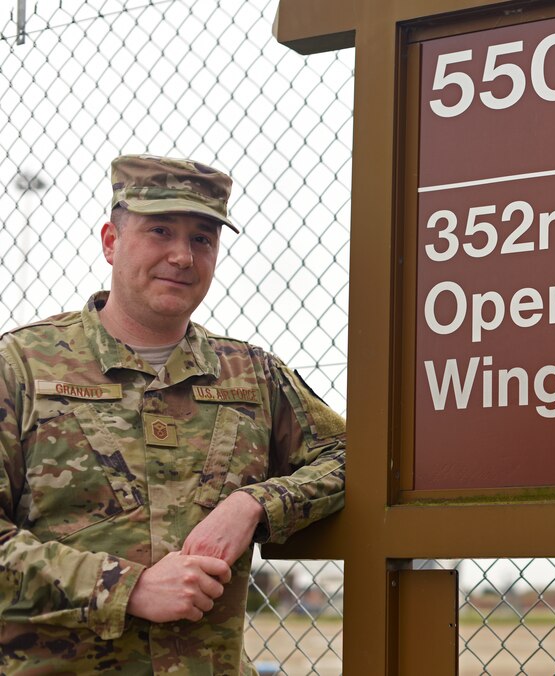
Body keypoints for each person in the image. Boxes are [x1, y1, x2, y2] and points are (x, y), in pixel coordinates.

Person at [0, 155, 346, 674]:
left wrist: (255, 505)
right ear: (110, 241)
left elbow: (352, 456)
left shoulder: (251, 376)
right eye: (160, 230)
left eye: (202, 238)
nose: (182, 256)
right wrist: (124, 587)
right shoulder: (23, 366)